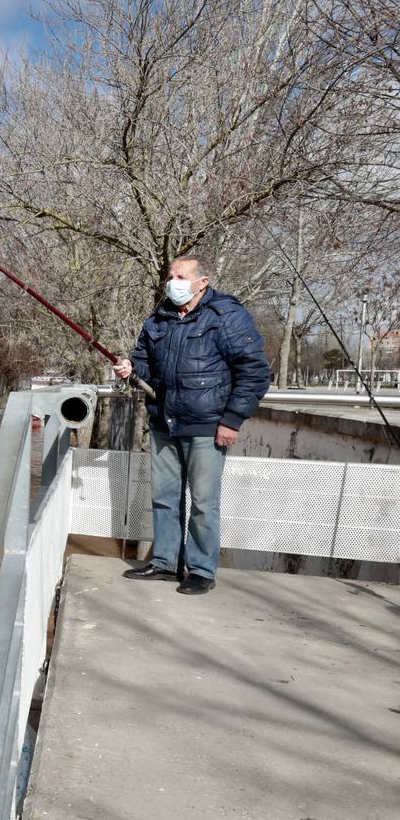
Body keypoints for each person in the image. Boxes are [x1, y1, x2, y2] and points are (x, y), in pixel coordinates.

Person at [112, 255, 271, 595]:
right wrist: (131, 368)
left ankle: (200, 570)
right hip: (164, 422)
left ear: (202, 282)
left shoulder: (227, 316)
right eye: (171, 275)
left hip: (208, 425)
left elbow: (254, 372)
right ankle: (166, 562)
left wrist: (232, 420)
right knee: (164, 497)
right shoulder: (159, 318)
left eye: (181, 276)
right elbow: (145, 362)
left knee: (203, 502)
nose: (173, 282)